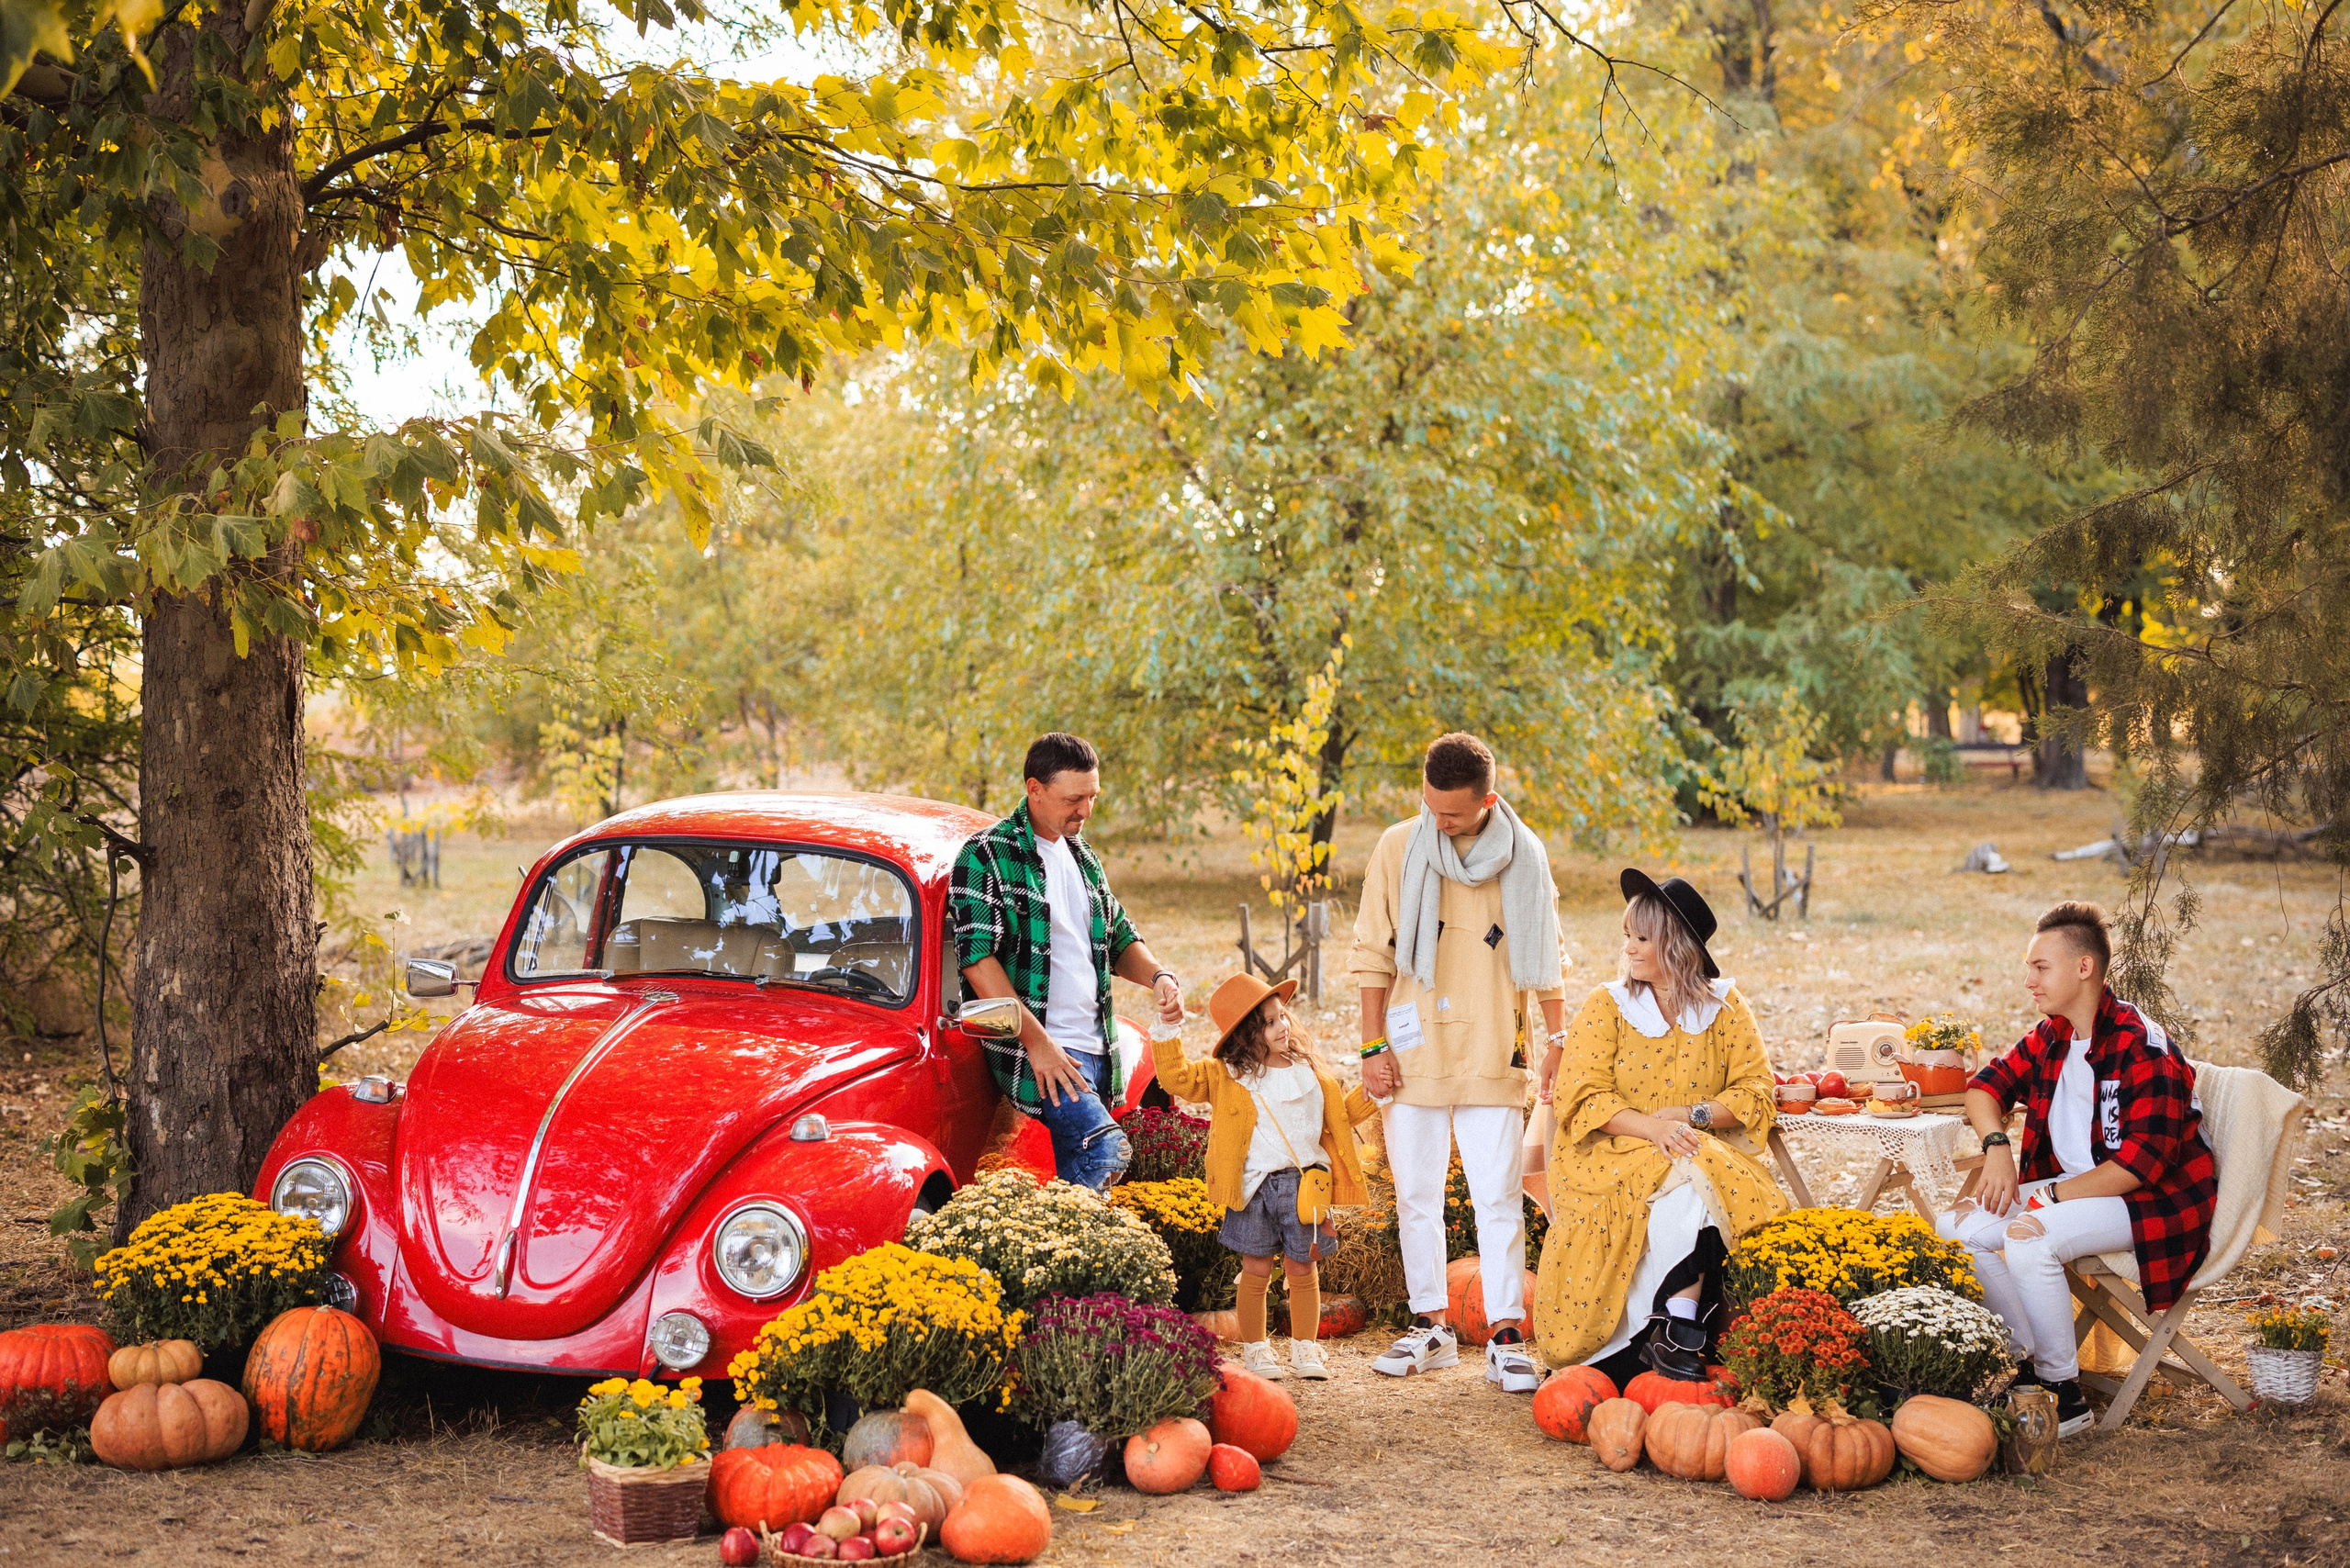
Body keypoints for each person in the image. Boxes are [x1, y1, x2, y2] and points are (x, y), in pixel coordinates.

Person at [1942, 901, 2218, 1437]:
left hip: (2148, 1199)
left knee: (2028, 1236)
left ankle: (2063, 1393)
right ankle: (2024, 1369)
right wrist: (1998, 1146)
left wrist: (2052, 1199)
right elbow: (1983, 1088)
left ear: (2084, 967)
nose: (2029, 980)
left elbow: (2141, 1163)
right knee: (1956, 1226)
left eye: (2041, 967)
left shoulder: (2142, 1045)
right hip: (2077, 1188)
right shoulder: (2054, 1034)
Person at [1349, 732, 1567, 1393]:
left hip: (1494, 1042)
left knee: (1497, 1194)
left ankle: (1505, 1333)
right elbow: (1372, 952)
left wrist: (1558, 1041)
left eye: (1452, 814)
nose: (1437, 822)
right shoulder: (1398, 847)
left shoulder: (1525, 857)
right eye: (1430, 807)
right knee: (1414, 1194)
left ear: (1487, 802)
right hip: (1411, 1047)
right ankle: (1431, 1325)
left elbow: (1549, 955)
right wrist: (1371, 1047)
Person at [1530, 872, 1789, 1385]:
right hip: (1608, 1151)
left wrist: (1692, 1115)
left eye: (1642, 938)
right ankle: (1679, 1327)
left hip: (1692, 1143)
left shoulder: (1725, 1008)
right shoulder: (1608, 1005)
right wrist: (1652, 1128)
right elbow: (1584, 1095)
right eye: (1627, 935)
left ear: (1675, 945)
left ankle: (1672, 1326)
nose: (1628, 948)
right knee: (1688, 1168)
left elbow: (1756, 1090)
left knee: (1689, 1169)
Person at [949, 733, 1185, 1189]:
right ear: (1034, 789)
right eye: (1074, 799)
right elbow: (976, 959)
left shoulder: (1083, 856)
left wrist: (1158, 976)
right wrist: (1039, 1044)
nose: (1086, 811)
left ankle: (1067, 1235)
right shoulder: (986, 856)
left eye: (1092, 796)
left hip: (1099, 1048)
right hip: (1044, 1048)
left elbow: (1117, 936)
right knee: (1106, 1151)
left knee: (1086, 1182)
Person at [1150, 972, 1380, 1382]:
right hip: (1254, 1188)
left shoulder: (1308, 1071)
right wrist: (1169, 1028)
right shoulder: (1226, 1074)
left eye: (1282, 1016)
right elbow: (1176, 1078)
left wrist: (1373, 1093)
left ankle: (1305, 1348)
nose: (1282, 1026)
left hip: (1305, 1187)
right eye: (1269, 1023)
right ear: (1244, 1035)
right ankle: (1256, 1349)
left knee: (1303, 1269)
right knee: (1255, 1270)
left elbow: (1339, 1118)